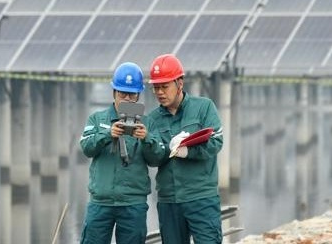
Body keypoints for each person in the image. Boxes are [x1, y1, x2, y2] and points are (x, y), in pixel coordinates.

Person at [141, 53, 225, 244]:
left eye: (164, 86)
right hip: (169, 201)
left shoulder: (204, 108)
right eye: (156, 88)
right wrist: (148, 141)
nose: (160, 92)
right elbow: (153, 160)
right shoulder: (152, 119)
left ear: (180, 83)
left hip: (201, 197)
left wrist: (189, 151)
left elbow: (216, 141)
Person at [78, 61, 164, 244]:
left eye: (131, 94)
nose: (127, 98)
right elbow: (86, 148)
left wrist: (146, 138)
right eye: (122, 93)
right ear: (114, 93)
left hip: (133, 203)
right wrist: (106, 134)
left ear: (138, 95)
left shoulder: (147, 124)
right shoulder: (97, 119)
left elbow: (157, 159)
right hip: (101, 202)